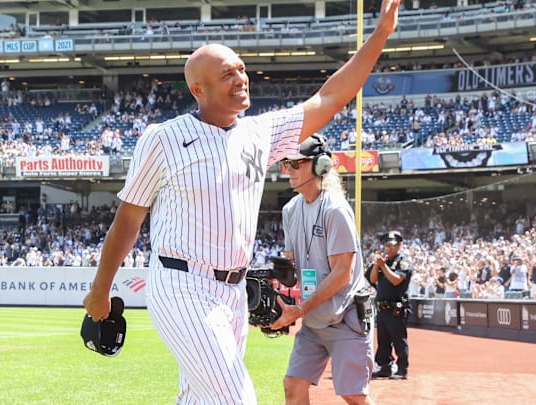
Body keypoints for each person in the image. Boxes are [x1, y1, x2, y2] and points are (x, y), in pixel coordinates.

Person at [82, 1, 400, 402]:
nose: (240, 78)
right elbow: (127, 221)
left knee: (200, 398)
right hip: (182, 284)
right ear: (199, 90)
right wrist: (100, 290)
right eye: (227, 73)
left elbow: (331, 97)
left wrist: (381, 34)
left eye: (241, 69)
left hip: (233, 292)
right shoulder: (162, 138)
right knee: (236, 399)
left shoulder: (259, 132)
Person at [269, 135, 375, 405]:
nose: (289, 170)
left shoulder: (335, 209)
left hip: (346, 317)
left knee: (353, 395)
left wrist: (300, 309)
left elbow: (342, 273)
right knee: (293, 386)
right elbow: (292, 265)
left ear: (319, 166)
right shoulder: (291, 209)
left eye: (295, 163)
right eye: (285, 164)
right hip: (315, 318)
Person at [364, 231, 412, 380]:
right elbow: (372, 279)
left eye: (392, 245)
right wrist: (376, 266)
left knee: (399, 340)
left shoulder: (403, 262)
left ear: (399, 246)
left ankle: (402, 369)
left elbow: (397, 280)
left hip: (396, 308)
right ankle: (384, 366)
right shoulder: (382, 261)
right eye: (386, 245)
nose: (389, 248)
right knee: (383, 341)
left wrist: (383, 267)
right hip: (382, 307)